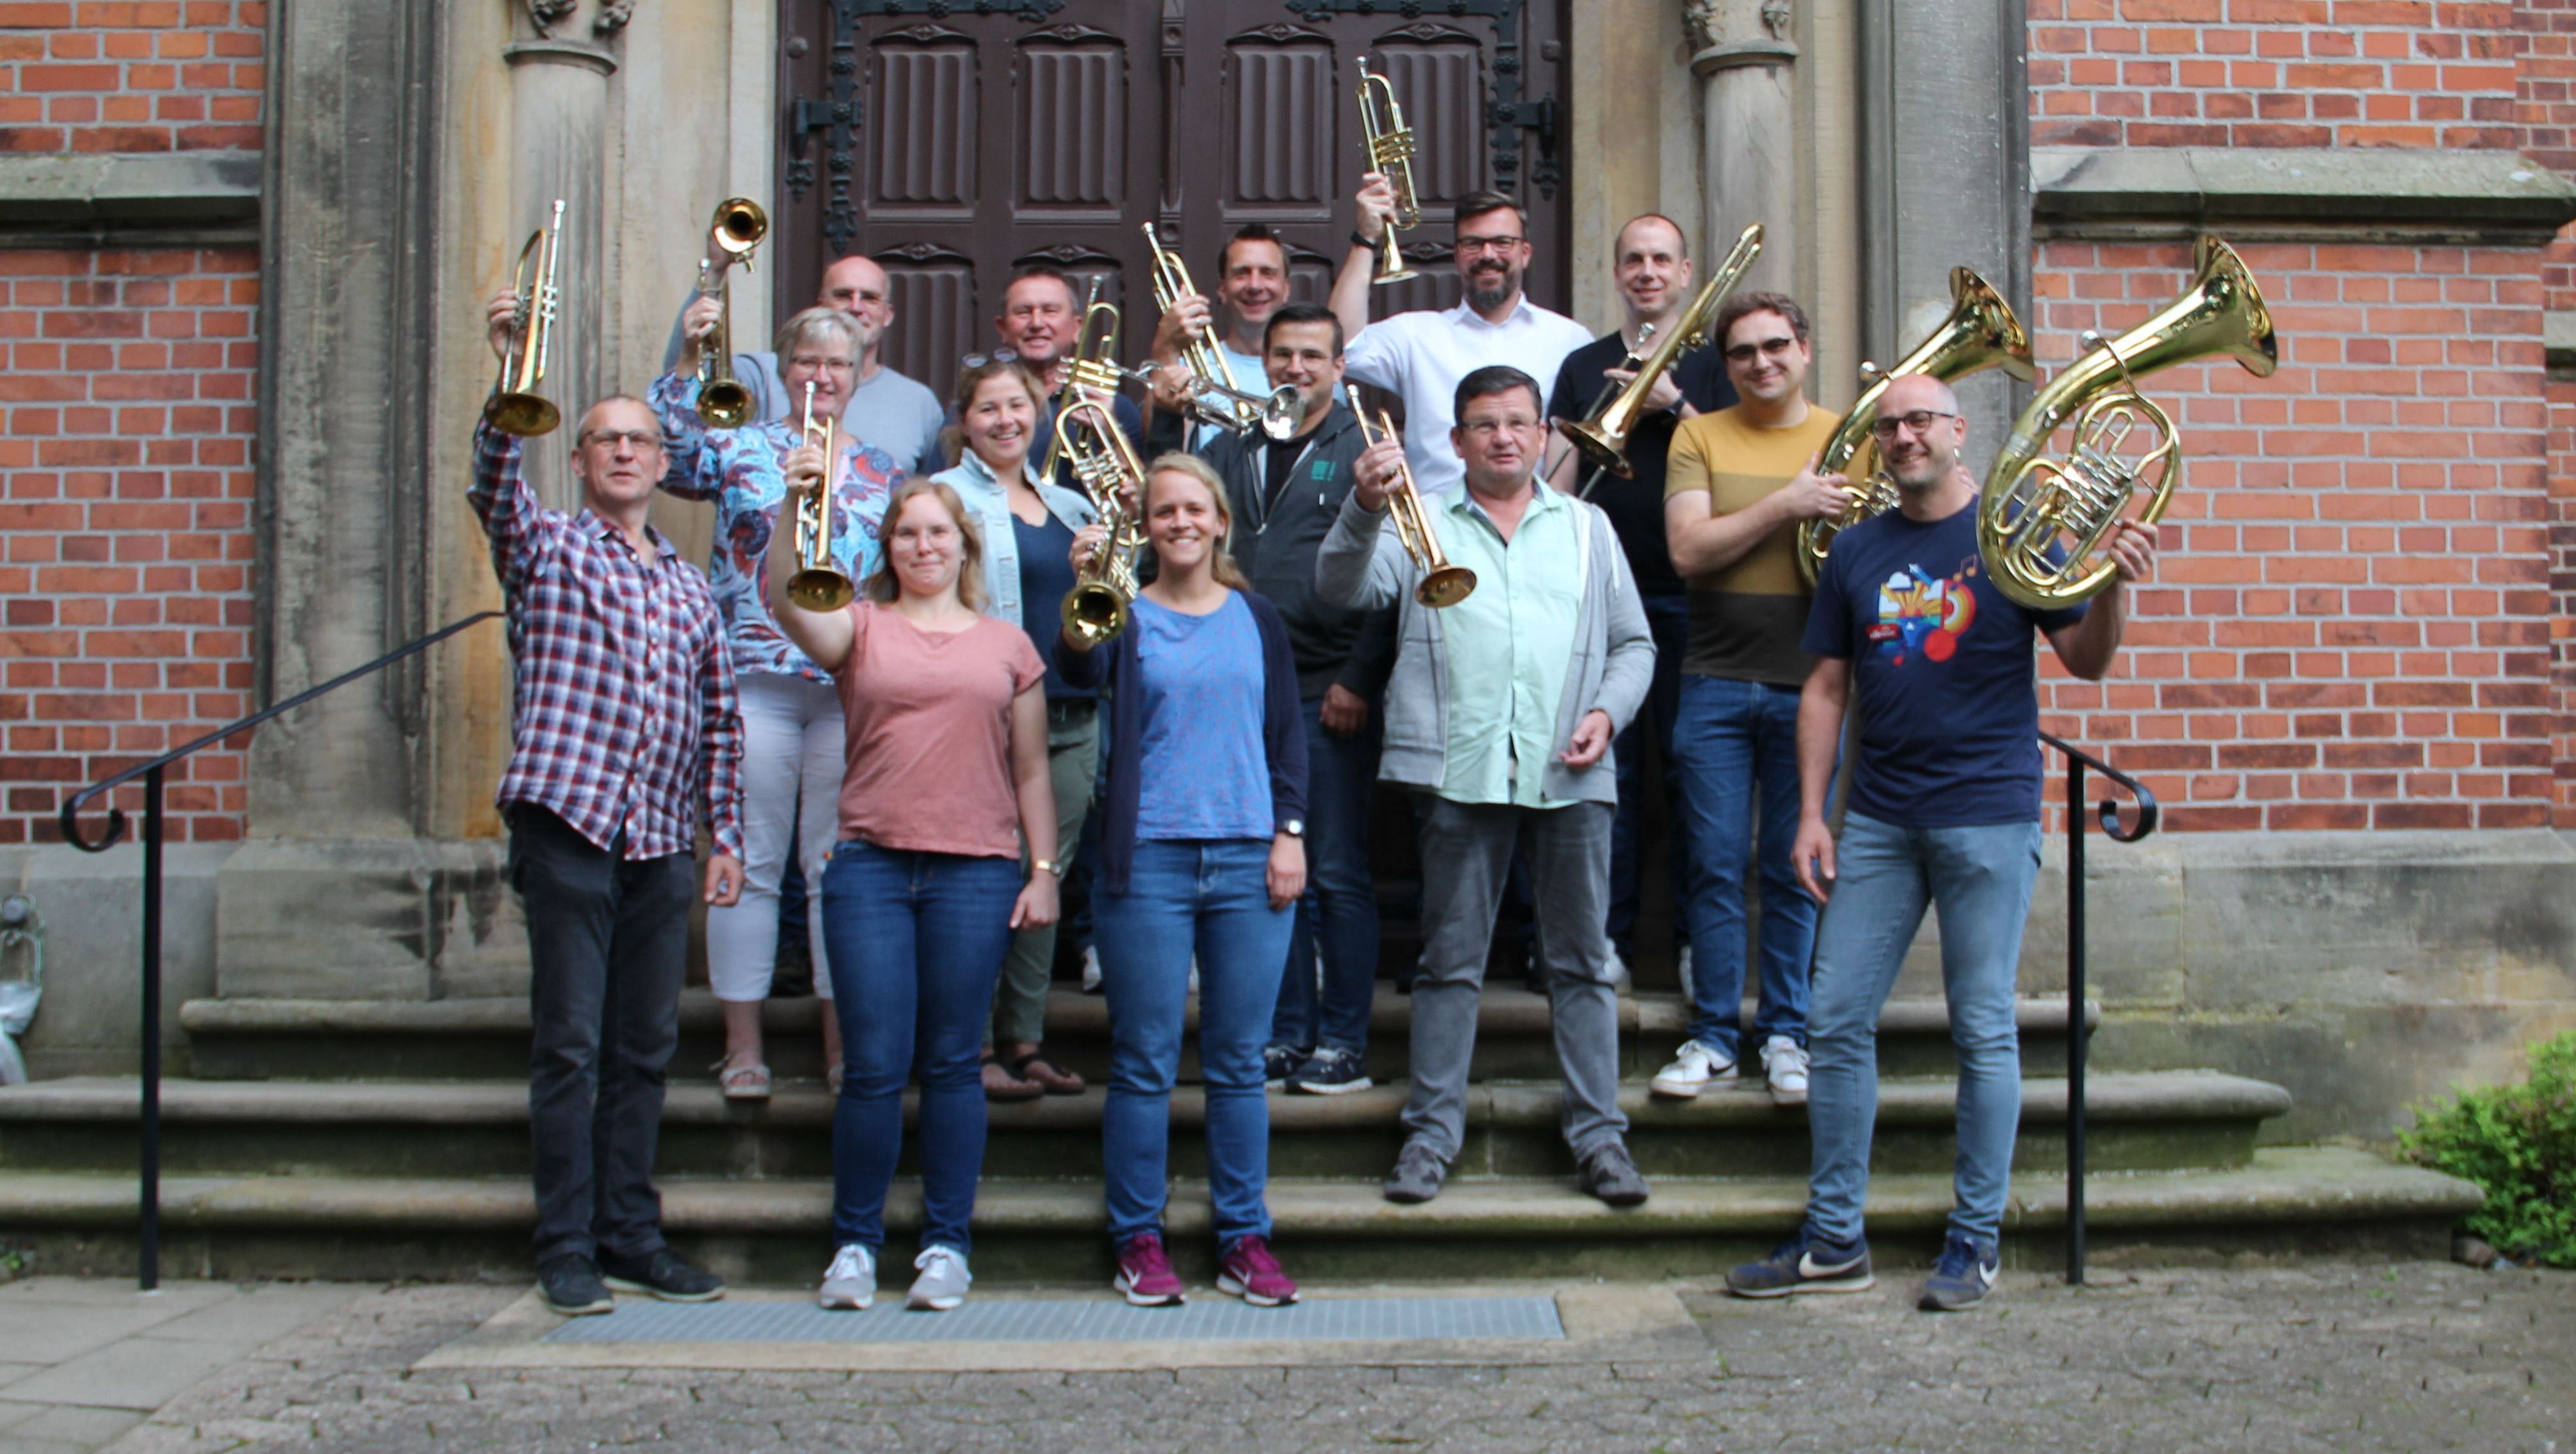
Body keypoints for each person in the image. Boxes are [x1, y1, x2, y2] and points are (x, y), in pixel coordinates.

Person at [1724, 374, 2154, 1311]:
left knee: (1983, 1029)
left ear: (1961, 431)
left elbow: (2085, 662)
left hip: (1989, 815)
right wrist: (1808, 814)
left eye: (1922, 419)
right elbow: (1828, 688)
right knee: (1833, 1021)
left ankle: (1974, 1240)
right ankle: (1836, 1238)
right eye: (1888, 426)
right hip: (1877, 819)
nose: (1905, 436)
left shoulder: (2014, 534)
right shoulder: (1857, 550)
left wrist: (2113, 579)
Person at [1317, 365, 1656, 1209]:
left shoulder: (1587, 528)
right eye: (1484, 425)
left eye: (1517, 422)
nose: (1503, 437)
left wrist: (1608, 716)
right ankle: (1431, 1138)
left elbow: (1635, 646)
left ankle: (1600, 1138)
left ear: (1543, 434)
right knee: (1449, 965)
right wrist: (1362, 507)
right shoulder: (1416, 518)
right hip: (1459, 772)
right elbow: (1338, 588)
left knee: (1582, 964)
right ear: (1457, 439)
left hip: (1571, 771)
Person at [472, 292, 743, 1318]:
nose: (625, 453)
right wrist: (511, 374)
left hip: (661, 838)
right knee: (570, 1045)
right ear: (580, 462)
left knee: (644, 1048)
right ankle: (567, 1246)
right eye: (605, 441)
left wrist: (725, 835)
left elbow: (721, 720)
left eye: (640, 439)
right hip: (570, 824)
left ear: (663, 463)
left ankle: (632, 1232)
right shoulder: (546, 550)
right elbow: (493, 484)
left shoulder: (688, 589)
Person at [766, 476, 1060, 1315]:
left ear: (965, 546)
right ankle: (855, 1245)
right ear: (887, 548)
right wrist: (796, 508)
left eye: (939, 532)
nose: (924, 546)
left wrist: (1043, 872)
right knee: (872, 1067)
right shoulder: (862, 627)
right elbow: (786, 597)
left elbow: (1032, 767)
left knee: (953, 1064)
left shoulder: (1008, 644)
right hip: (872, 870)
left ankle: (945, 1246)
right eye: (907, 534)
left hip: (977, 870)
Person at [1058, 454, 1309, 1308]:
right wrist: (1086, 586)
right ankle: (1138, 1237)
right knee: (1144, 1061)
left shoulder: (1258, 616)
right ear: (1149, 524)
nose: (1180, 522)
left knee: (1239, 1061)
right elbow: (1079, 674)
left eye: (1194, 508)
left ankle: (1245, 1237)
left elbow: (1287, 736)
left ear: (1220, 520)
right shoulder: (1124, 615)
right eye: (1163, 511)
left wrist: (1291, 833)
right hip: (1150, 860)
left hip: (1249, 855)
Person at [1146, 303, 1394, 1096]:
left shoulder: (1363, 447)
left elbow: (1394, 581)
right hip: (1242, 687)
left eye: (1310, 356)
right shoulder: (1228, 443)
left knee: (1335, 871)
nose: (1293, 368)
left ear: (1337, 367)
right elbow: (1170, 507)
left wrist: (1359, 676)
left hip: (1328, 689)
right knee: (1270, 868)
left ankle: (1344, 1041)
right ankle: (1288, 1032)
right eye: (1281, 354)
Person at [657, 304, 902, 1100]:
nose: (821, 376)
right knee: (750, 864)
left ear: (859, 372)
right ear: (785, 368)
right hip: (754, 681)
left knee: (837, 870)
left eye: (838, 364)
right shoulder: (737, 448)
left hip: (845, 691)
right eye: (807, 362)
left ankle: (839, 1046)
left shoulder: (885, 470)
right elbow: (663, 453)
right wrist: (690, 350)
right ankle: (742, 1047)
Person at [1654, 290, 1850, 1106]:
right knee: (1712, 864)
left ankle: (1785, 1033)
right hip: (1714, 679)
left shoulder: (1851, 435)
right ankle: (1711, 1035)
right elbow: (1688, 550)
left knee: (1795, 864)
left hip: (1814, 686)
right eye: (1742, 352)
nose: (1761, 363)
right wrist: (1786, 504)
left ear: (1804, 347)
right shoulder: (1698, 432)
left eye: (1775, 346)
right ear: (1724, 362)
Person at [1544, 214, 1740, 990]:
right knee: (1606, 775)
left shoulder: (1720, 366)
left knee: (1696, 774)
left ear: (1685, 272)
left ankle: (1698, 946)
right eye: (1633, 259)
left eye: (1662, 259)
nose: (1647, 271)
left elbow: (1746, 477)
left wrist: (1674, 407)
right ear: (1617, 272)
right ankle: (1603, 942)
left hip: (1698, 598)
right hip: (1601, 600)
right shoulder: (1584, 363)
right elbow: (1556, 482)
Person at [931, 358, 1101, 1100]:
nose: (1005, 420)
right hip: (990, 715)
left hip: (1072, 706)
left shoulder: (1068, 501)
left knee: (1045, 875)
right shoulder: (946, 497)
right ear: (963, 420)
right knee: (983, 876)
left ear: (1039, 413)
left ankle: (1023, 1038)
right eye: (988, 408)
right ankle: (967, 1045)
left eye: (1018, 406)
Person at [1328, 186, 1591, 498]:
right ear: (1457, 256)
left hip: (1535, 530)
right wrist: (1365, 239)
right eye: (1473, 244)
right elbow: (1338, 348)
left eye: (1502, 242)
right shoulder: (1417, 335)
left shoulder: (1571, 340)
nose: (1488, 255)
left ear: (1526, 253)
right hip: (1437, 533)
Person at [662, 246, 946, 476]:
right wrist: (714, 271)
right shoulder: (764, 373)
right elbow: (683, 384)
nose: (856, 307)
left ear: (888, 314)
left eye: (870, 298)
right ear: (821, 303)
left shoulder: (920, 402)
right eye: (843, 295)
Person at [984, 264, 1147, 483]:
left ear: (1077, 327)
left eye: (1050, 311)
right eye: (1023, 312)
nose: (1037, 323)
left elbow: (1140, 498)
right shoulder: (977, 408)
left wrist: (1113, 436)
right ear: (1002, 328)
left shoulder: (1117, 408)